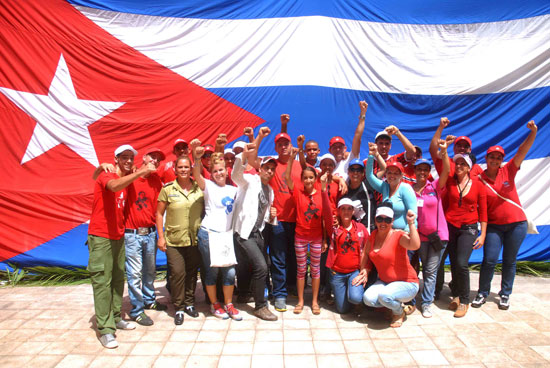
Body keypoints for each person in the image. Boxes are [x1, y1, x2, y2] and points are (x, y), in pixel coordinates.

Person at [88, 144, 156, 348]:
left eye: (130, 158)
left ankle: (115, 317)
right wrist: (141, 171)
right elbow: (112, 186)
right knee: (102, 282)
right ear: (116, 159)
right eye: (124, 157)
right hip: (101, 237)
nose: (128, 161)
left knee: (118, 279)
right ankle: (105, 329)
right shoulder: (108, 175)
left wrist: (140, 172)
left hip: (118, 236)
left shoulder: (126, 178)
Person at [472, 121, 538, 310]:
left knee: (510, 261)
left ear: (502, 160)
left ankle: (505, 294)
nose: (494, 160)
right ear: (487, 158)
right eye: (492, 157)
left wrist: (533, 132)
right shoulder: (480, 179)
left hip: (517, 224)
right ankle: (482, 293)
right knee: (490, 260)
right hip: (493, 226)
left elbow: (522, 151)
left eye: (498, 157)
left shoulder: (508, 170)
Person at [192, 141, 241, 321]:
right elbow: (196, 174)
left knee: (229, 272)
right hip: (209, 234)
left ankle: (229, 304)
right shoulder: (208, 187)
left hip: (226, 236)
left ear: (227, 170)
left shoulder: (233, 190)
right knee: (212, 272)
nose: (219, 173)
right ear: (211, 174)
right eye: (215, 171)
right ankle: (214, 305)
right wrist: (197, 158)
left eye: (221, 170)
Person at [437, 146, 487, 318]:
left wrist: (483, 234)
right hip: (451, 226)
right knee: (453, 262)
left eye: (462, 164)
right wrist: (444, 153)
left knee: (461, 263)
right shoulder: (450, 181)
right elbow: (445, 167)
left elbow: (484, 211)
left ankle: (465, 300)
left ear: (469, 167)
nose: (458, 166)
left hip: (469, 228)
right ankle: (457, 295)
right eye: (456, 163)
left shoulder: (479, 185)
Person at [232, 141, 279, 321]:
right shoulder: (250, 181)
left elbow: (265, 217)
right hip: (243, 233)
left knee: (247, 266)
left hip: (257, 233)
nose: (269, 171)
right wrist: (243, 156)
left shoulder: (270, 191)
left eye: (272, 169)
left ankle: (244, 294)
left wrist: (273, 215)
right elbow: (236, 175)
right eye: (266, 167)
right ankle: (260, 306)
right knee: (261, 266)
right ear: (260, 168)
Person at [121, 148, 167, 326]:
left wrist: (160, 234)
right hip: (132, 234)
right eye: (152, 157)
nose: (155, 161)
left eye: (158, 159)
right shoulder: (130, 176)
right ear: (144, 158)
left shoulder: (156, 181)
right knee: (134, 273)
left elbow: (158, 211)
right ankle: (137, 310)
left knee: (150, 270)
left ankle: (149, 299)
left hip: (150, 233)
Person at [354, 203, 420, 328]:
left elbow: (415, 245)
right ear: (375, 219)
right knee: (368, 299)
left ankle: (399, 312)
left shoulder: (398, 236)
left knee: (385, 296)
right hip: (385, 282)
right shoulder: (373, 235)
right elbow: (366, 253)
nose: (383, 223)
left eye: (387, 219)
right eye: (380, 219)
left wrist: (411, 224)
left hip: (407, 283)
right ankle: (391, 306)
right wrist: (363, 270)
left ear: (392, 221)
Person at [156, 155, 203, 325]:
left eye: (186, 167)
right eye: (180, 167)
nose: (183, 170)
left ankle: (190, 303)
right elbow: (159, 213)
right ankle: (179, 307)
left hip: (195, 239)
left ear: (191, 168)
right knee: (177, 274)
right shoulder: (168, 189)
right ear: (175, 169)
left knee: (191, 274)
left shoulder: (199, 188)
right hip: (174, 240)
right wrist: (160, 237)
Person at [285, 147, 332, 315]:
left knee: (316, 269)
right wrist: (292, 158)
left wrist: (325, 239)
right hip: (301, 237)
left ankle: (314, 301)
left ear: (315, 178)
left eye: (311, 177)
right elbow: (287, 177)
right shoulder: (298, 193)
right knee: (301, 269)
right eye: (305, 178)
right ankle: (300, 300)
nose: (308, 180)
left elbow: (325, 219)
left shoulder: (321, 193)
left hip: (317, 237)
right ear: (302, 179)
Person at [263, 115, 302, 312]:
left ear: (291, 145)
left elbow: (318, 180)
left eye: (286, 143)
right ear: (276, 148)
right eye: (280, 144)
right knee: (278, 258)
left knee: (294, 257)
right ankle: (279, 294)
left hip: (298, 220)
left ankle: (292, 287)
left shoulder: (300, 165)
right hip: (277, 220)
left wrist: (337, 179)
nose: (284, 147)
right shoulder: (270, 165)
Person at [412, 152, 449, 318]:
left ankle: (427, 303)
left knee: (430, 271)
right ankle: (415, 298)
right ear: (415, 171)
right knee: (419, 269)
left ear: (429, 172)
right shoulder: (410, 190)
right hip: (419, 237)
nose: (422, 172)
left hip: (437, 236)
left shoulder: (434, 186)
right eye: (419, 169)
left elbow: (446, 171)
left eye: (425, 169)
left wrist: (445, 152)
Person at [326, 198, 369, 314]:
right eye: (343, 209)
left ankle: (355, 297)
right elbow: (326, 210)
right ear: (339, 211)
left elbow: (369, 249)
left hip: (354, 271)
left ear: (353, 211)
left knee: (355, 298)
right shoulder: (334, 228)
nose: (346, 212)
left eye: (349, 209)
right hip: (337, 273)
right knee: (342, 310)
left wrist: (366, 269)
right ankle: (346, 295)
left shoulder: (360, 228)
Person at [365, 143, 417, 232]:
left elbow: (413, 214)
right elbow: (369, 176)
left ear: (401, 175)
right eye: (389, 173)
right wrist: (371, 156)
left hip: (402, 233)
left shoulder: (406, 188)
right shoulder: (384, 187)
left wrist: (407, 232)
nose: (392, 176)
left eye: (396, 173)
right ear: (386, 174)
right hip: (386, 233)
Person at [329, 101, 368, 181]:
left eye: (340, 147)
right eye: (334, 147)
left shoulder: (350, 159)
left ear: (345, 148)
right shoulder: (326, 165)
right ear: (330, 150)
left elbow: (357, 136)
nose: (338, 149)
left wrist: (363, 114)